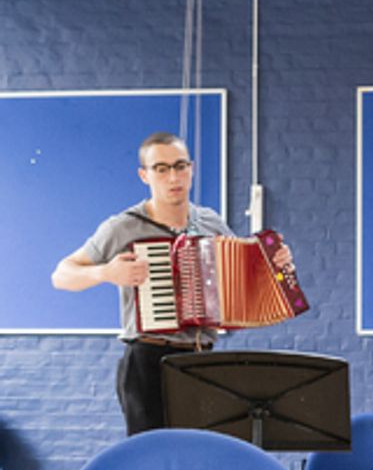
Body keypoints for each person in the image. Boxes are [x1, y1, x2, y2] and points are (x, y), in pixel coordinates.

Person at [51, 130, 293, 436]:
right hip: (147, 359)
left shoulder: (210, 222)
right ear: (144, 175)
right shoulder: (123, 226)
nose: (173, 177)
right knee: (152, 456)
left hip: (202, 358)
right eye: (161, 169)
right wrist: (105, 273)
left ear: (191, 169)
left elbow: (245, 277)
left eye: (180, 166)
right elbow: (61, 275)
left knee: (201, 453)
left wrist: (275, 264)